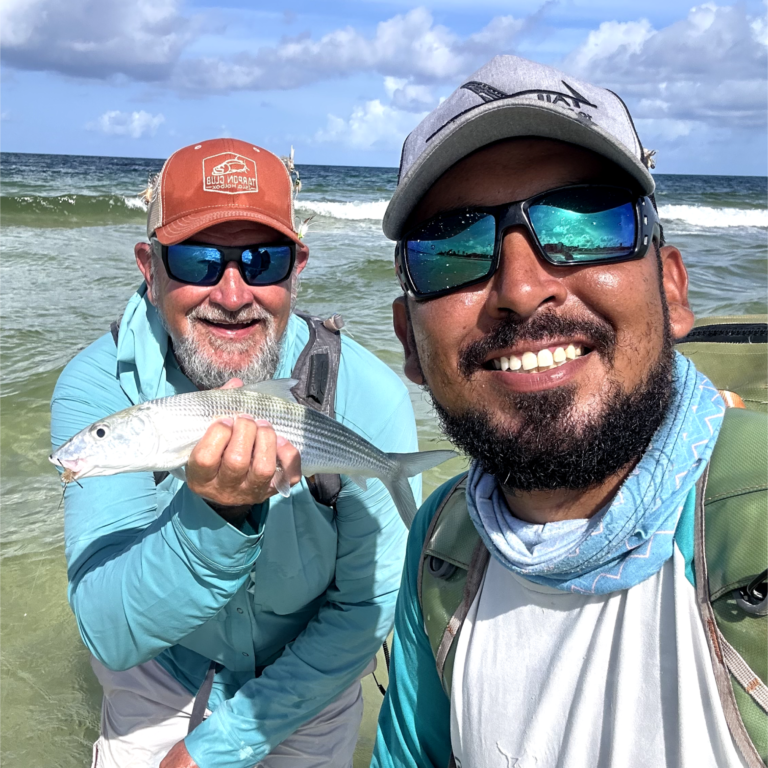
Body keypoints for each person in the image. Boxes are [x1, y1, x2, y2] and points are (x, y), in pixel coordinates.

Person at [372, 55, 768, 767]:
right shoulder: (443, 546)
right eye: (454, 247)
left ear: (673, 292)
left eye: (584, 221)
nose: (522, 288)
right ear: (408, 341)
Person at [51, 138, 416, 768]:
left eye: (261, 258)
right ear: (150, 265)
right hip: (161, 668)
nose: (231, 293)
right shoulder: (98, 385)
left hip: (309, 676)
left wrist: (221, 745)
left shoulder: (368, 394)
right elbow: (109, 630)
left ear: (297, 266)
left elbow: (365, 610)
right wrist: (214, 517)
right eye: (197, 260)